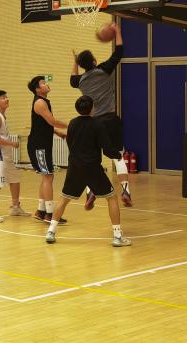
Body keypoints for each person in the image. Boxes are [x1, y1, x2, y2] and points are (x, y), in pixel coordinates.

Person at [46, 95, 130, 247]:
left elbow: (70, 142)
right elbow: (107, 148)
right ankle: (117, 236)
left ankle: (51, 231)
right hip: (93, 168)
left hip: (74, 167)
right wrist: (118, 155)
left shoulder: (72, 123)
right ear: (92, 108)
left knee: (64, 199)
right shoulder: (98, 124)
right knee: (111, 198)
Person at [72, 21, 132, 208]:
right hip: (111, 119)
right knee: (118, 156)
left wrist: (74, 61)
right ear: (94, 60)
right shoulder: (104, 70)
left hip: (93, 123)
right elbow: (119, 52)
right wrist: (117, 31)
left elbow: (72, 78)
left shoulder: (79, 81)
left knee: (92, 159)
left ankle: (90, 191)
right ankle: (125, 190)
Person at [0, 90, 29, 222]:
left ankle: (15, 207)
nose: (6, 99)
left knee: (14, 179)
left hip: (4, 153)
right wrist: (12, 143)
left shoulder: (2, 116)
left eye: (6, 97)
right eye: (3, 98)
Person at [27, 75, 69, 222]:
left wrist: (58, 132)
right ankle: (50, 214)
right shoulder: (40, 102)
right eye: (43, 83)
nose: (47, 84)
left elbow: (45, 125)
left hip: (42, 144)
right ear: (37, 89)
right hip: (39, 146)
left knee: (46, 177)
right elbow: (52, 121)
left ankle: (41, 211)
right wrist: (71, 125)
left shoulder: (43, 101)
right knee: (48, 177)